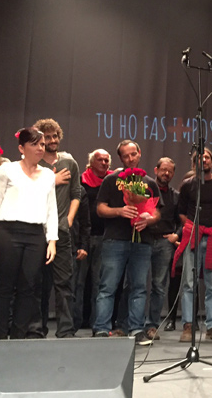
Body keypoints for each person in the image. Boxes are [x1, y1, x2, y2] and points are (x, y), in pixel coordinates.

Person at [0, 128, 58, 340]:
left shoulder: (48, 175)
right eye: (34, 144)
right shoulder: (8, 169)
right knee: (4, 287)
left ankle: (17, 339)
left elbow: (51, 209)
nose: (40, 148)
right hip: (7, 232)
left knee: (28, 288)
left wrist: (52, 239)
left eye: (42, 144)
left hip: (35, 235)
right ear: (21, 148)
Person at [93, 140, 160, 345]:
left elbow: (157, 211)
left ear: (139, 154)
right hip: (115, 240)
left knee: (139, 288)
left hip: (142, 242)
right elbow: (100, 208)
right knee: (108, 287)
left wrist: (150, 218)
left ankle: (137, 329)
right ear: (121, 158)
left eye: (133, 154)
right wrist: (119, 211)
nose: (130, 158)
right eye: (125, 156)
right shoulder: (111, 180)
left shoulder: (150, 182)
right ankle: (102, 330)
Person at [174, 148, 212, 342]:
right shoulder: (188, 185)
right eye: (199, 157)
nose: (203, 160)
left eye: (207, 157)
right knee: (189, 284)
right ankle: (188, 326)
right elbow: (181, 212)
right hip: (192, 238)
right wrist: (193, 228)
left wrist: (207, 227)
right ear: (194, 162)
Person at [32, 118, 80, 338]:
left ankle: (65, 330)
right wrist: (53, 179)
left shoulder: (69, 162)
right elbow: (27, 191)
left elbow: (76, 194)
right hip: (36, 231)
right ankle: (36, 329)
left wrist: (69, 219)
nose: (51, 141)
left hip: (61, 231)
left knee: (64, 283)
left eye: (54, 136)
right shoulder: (32, 162)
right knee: (37, 283)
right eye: (46, 137)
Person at [74, 148, 111, 330]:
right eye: (100, 160)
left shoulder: (112, 182)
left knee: (99, 284)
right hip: (84, 238)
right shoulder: (81, 181)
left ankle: (98, 324)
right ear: (91, 162)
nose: (104, 163)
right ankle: (74, 323)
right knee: (78, 283)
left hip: (105, 238)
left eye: (106, 160)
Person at [144, 157, 180, 340]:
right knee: (137, 284)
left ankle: (152, 326)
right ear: (155, 169)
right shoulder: (145, 190)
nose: (166, 173)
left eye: (170, 171)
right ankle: (132, 324)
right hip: (143, 240)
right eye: (163, 169)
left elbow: (184, 220)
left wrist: (177, 234)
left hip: (165, 244)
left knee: (159, 286)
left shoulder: (176, 196)